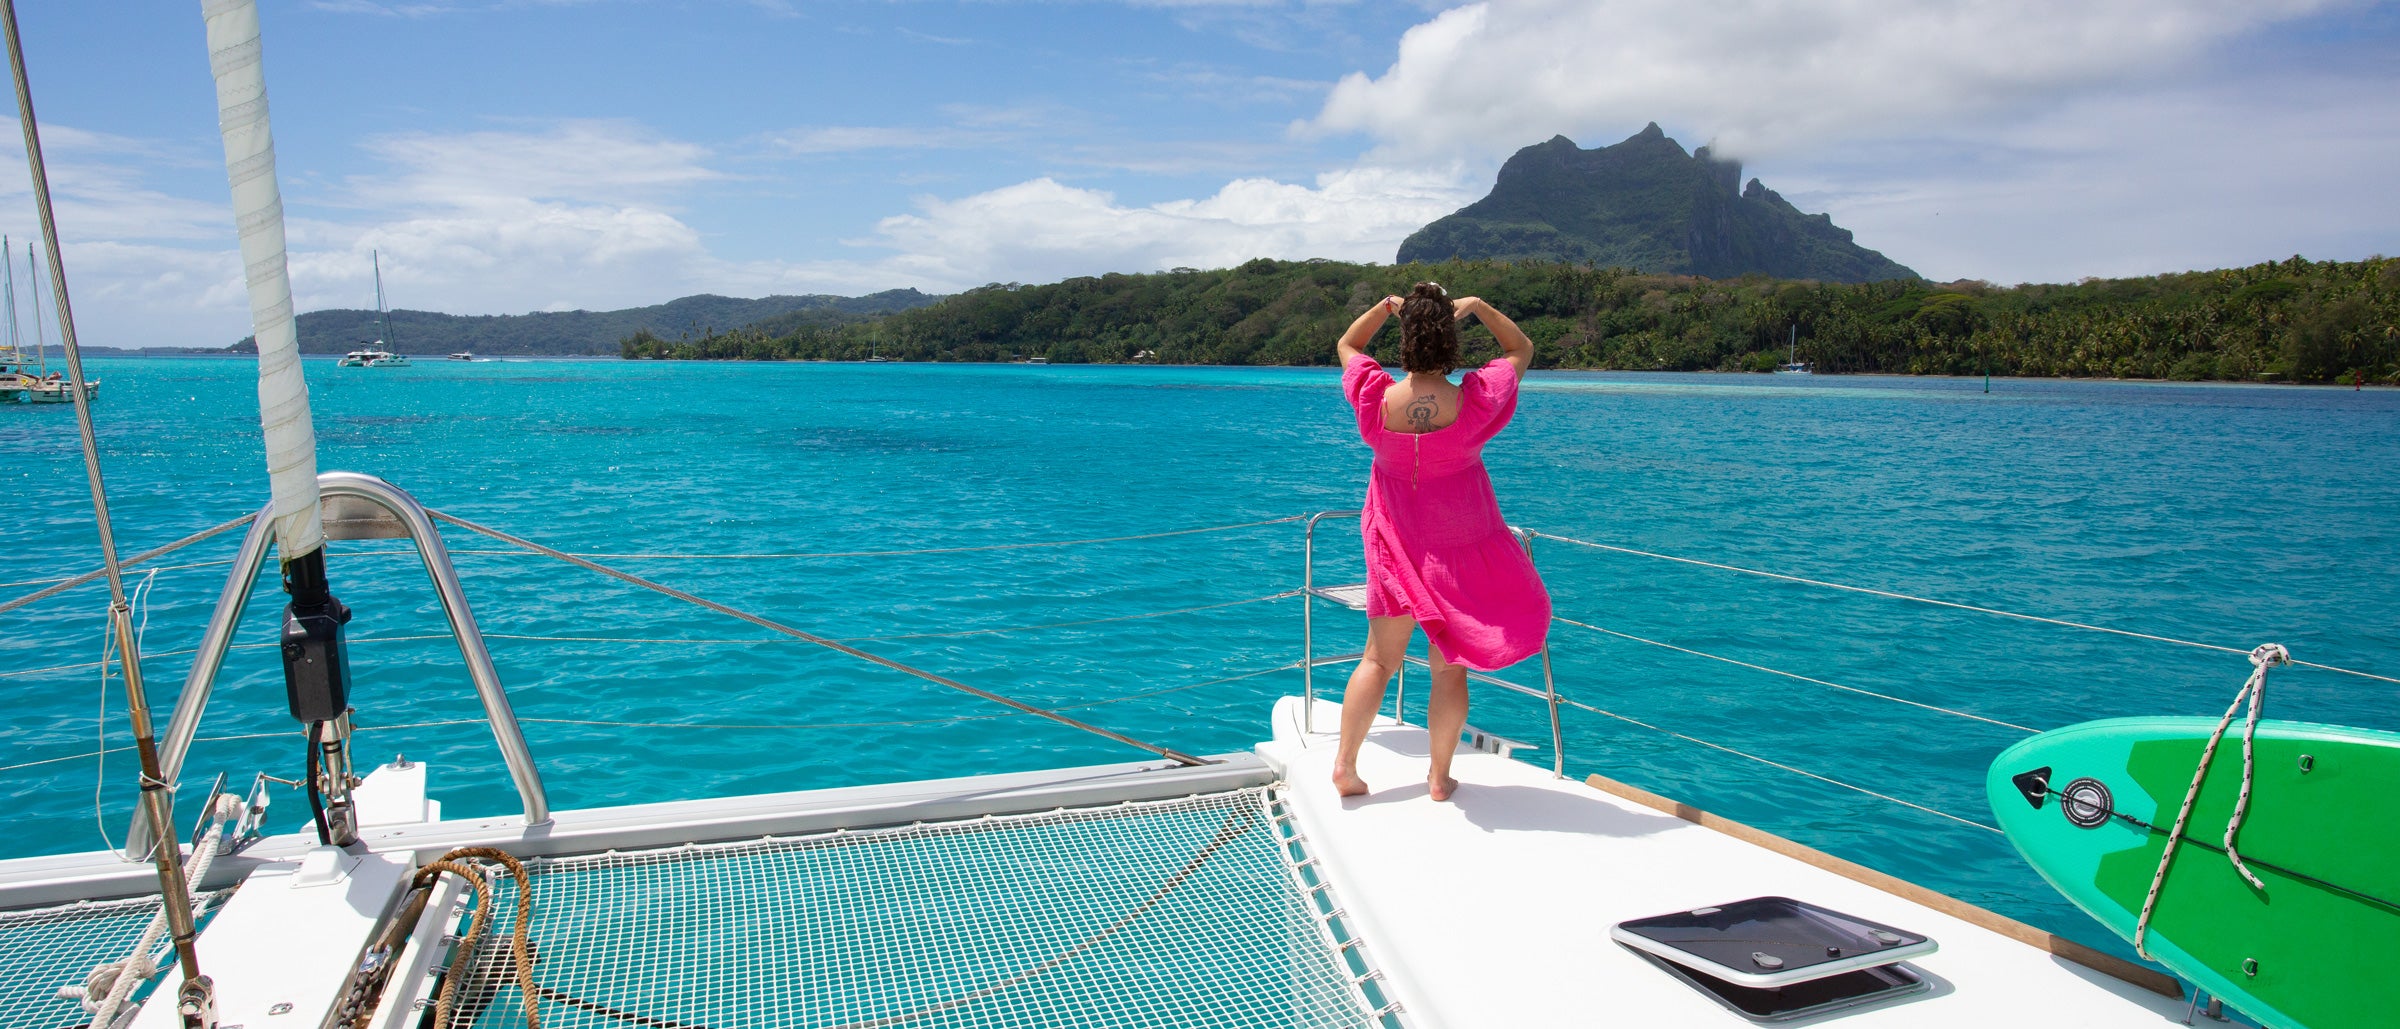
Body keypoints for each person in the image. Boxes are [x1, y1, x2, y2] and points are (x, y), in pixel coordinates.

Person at [1331, 282, 1551, 801]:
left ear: (1406, 337)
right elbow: (1521, 349)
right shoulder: (1474, 404)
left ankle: (1345, 766)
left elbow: (1348, 346)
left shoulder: (1374, 399)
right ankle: (1437, 777)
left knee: (1377, 661)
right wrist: (1477, 306)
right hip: (1457, 552)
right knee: (1448, 670)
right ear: (1450, 338)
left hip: (1392, 545)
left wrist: (1387, 309)